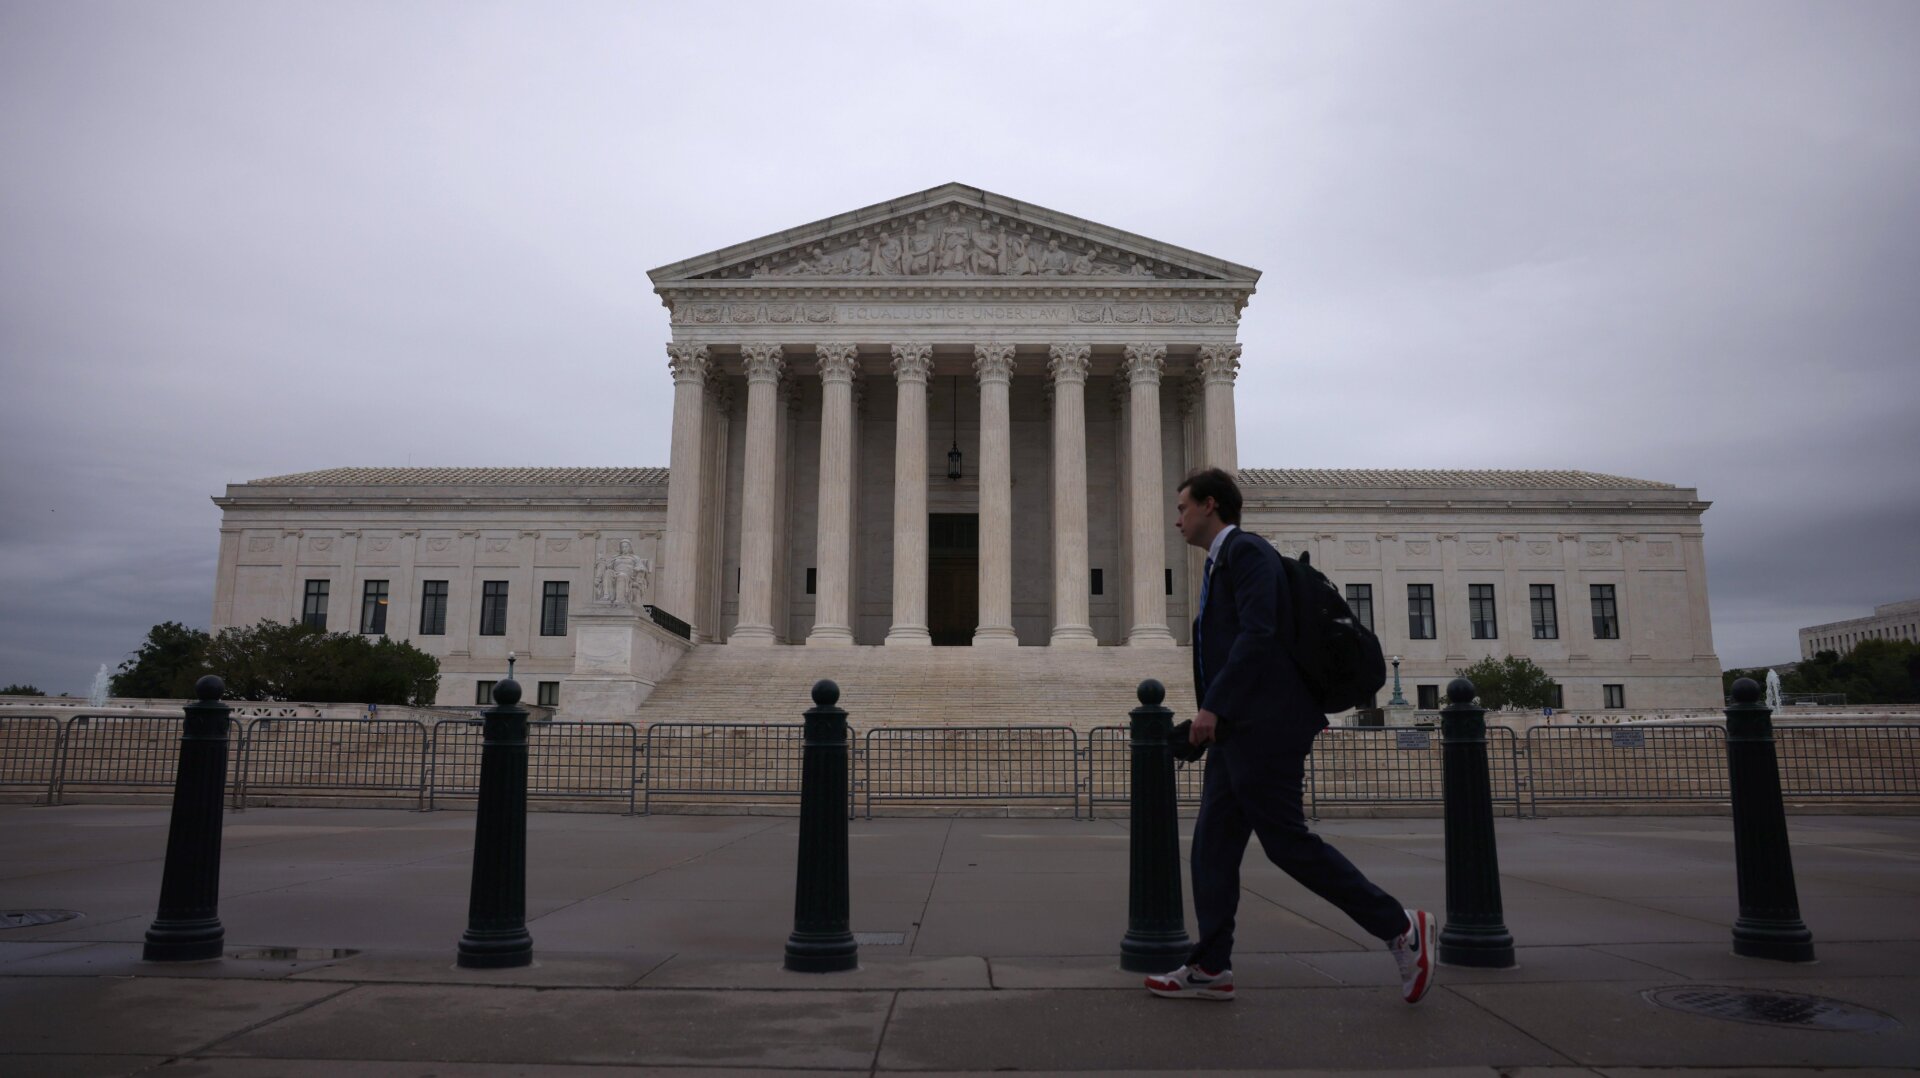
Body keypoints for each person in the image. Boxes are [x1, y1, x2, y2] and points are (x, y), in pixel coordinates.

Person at [1145, 467, 1436, 1005]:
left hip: (1267, 729)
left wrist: (1213, 707)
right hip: (1241, 730)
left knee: (1287, 844)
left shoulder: (1247, 553)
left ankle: (1401, 927)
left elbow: (1259, 636)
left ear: (1211, 505)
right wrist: (1212, 720)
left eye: (1183, 506)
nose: (1177, 518)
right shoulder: (1222, 563)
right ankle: (1211, 965)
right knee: (1212, 848)